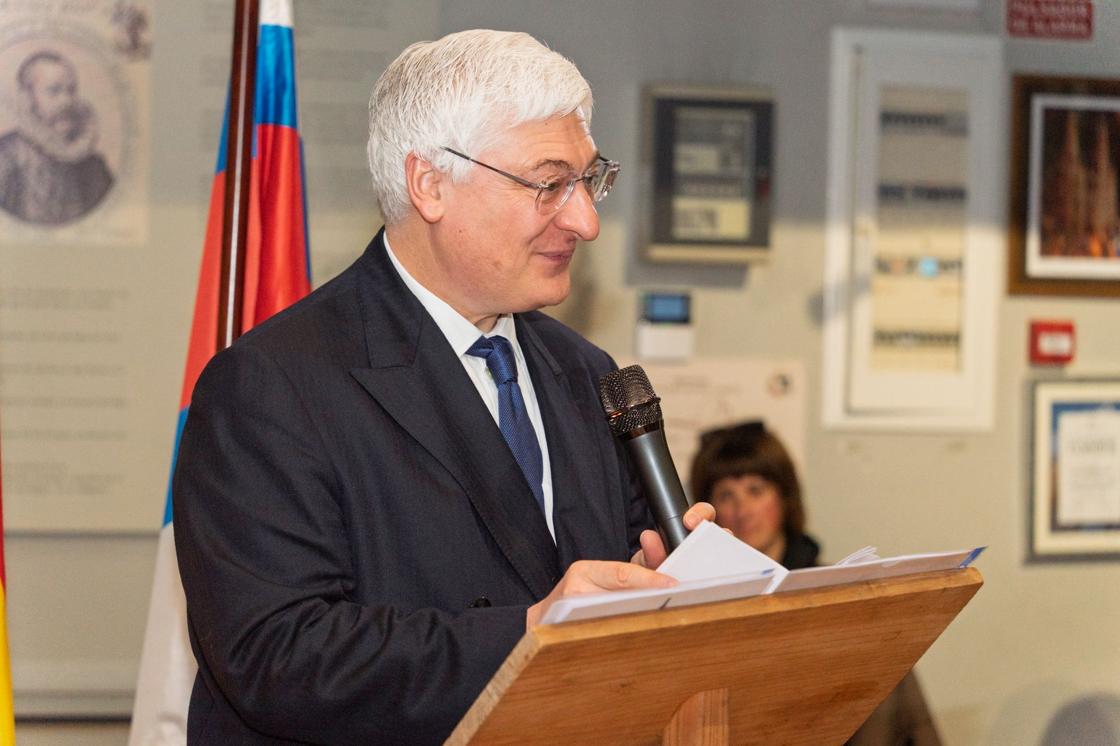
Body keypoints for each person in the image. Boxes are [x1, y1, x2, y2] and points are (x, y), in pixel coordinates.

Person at [173, 29, 713, 744]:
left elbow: (608, 583)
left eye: (590, 180)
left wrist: (670, 579)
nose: (585, 221)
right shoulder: (271, 387)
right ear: (431, 184)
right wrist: (528, 634)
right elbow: (276, 656)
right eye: (550, 184)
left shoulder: (586, 373)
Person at [691, 421, 943, 746]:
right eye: (726, 495)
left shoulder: (841, 593)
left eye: (755, 490)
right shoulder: (701, 604)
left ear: (784, 497)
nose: (743, 510)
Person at [0, 50, 114, 225]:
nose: (66, 101)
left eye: (71, 90)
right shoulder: (6, 156)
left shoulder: (94, 166)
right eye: (54, 91)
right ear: (27, 99)